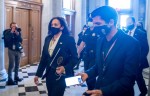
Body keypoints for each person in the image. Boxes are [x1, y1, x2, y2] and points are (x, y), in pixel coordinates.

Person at [80, 6, 141, 96]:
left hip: (119, 93)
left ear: (111, 22)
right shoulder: (100, 40)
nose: (94, 27)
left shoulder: (131, 43)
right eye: (93, 24)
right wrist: (87, 74)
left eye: (98, 24)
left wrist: (104, 91)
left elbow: (128, 79)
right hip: (99, 89)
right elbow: (99, 65)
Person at [34, 17, 78, 96]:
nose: (53, 26)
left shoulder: (68, 39)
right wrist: (38, 74)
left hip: (60, 74)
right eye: (52, 25)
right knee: (50, 93)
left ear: (62, 27)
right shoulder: (48, 38)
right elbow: (44, 58)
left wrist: (65, 68)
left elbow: (75, 58)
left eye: (56, 25)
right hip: (49, 73)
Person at [126, 16, 149, 96]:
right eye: (127, 23)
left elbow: (146, 48)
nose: (128, 24)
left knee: (138, 76)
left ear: (134, 23)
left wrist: (139, 61)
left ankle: (143, 92)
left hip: (138, 61)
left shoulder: (140, 33)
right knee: (130, 76)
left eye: (129, 23)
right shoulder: (126, 33)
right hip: (129, 60)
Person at [78, 18, 102, 90]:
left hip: (95, 55)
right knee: (86, 72)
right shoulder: (87, 30)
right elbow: (83, 42)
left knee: (91, 74)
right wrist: (78, 52)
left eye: (91, 21)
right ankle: (90, 89)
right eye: (89, 21)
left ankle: (92, 89)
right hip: (87, 55)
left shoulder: (98, 30)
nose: (90, 23)